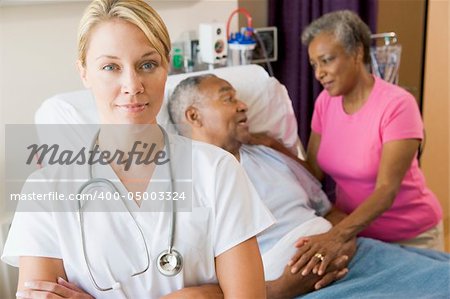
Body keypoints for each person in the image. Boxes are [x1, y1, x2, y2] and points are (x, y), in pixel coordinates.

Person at [1, 1, 274, 298]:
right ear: (84, 72)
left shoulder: (217, 170)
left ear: (166, 66)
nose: (132, 85)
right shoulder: (46, 191)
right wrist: (205, 294)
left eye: (147, 64)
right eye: (110, 67)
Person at [168, 73, 450, 299]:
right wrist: (280, 289)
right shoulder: (185, 185)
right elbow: (196, 287)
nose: (243, 105)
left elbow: (332, 214)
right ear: (194, 116)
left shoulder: (268, 154)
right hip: (299, 289)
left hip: (356, 256)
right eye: (228, 99)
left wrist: (339, 242)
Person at [289, 10, 443, 274]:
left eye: (326, 60)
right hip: (357, 234)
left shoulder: (397, 105)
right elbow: (313, 171)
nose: (319, 73)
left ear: (357, 52)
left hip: (410, 235)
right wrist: (268, 143)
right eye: (315, 64)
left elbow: (386, 190)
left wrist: (336, 236)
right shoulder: (326, 102)